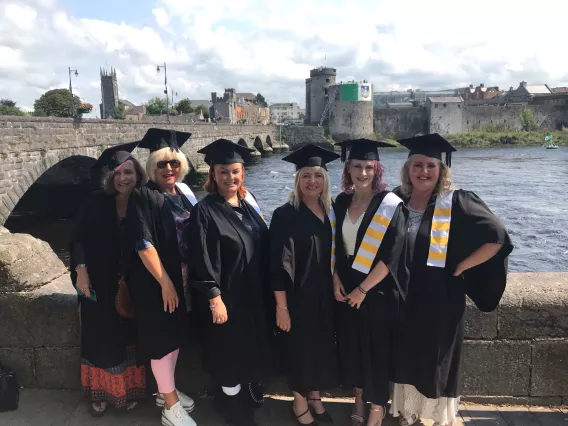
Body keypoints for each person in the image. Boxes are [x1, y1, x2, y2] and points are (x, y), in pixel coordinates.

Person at [389, 133, 514, 426]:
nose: (423, 172)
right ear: (407, 169)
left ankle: (432, 415)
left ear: (441, 169)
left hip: (440, 297)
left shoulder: (457, 200)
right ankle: (406, 412)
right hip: (403, 295)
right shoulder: (396, 198)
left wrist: (461, 267)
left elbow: (497, 237)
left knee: (435, 357)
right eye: (417, 165)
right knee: (404, 352)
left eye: (430, 165)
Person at [186, 139, 272, 426]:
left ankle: (247, 394)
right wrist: (214, 297)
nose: (230, 177)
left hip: (252, 296)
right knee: (227, 354)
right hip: (226, 298)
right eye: (223, 171)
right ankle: (235, 410)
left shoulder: (248, 204)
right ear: (213, 174)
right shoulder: (205, 211)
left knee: (248, 348)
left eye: (235, 171)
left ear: (242, 173)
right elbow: (201, 257)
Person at [332, 139, 408, 426]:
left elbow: (392, 254)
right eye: (357, 167)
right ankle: (358, 398)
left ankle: (377, 405)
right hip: (346, 284)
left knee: (376, 349)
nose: (362, 173)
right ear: (348, 169)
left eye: (368, 167)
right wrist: (336, 276)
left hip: (377, 289)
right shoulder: (341, 201)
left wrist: (364, 289)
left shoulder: (390, 205)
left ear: (376, 170)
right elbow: (335, 246)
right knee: (352, 346)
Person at [70, 142, 147, 417]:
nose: (123, 178)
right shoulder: (95, 201)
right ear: (110, 178)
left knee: (129, 338)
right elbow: (78, 238)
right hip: (98, 282)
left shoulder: (144, 200)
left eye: (128, 172)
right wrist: (81, 272)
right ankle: (100, 393)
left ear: (137, 174)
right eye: (117, 173)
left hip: (132, 283)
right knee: (100, 336)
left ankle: (128, 391)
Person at [127, 128, 198, 426]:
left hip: (183, 279)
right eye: (161, 164)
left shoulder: (183, 193)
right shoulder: (143, 196)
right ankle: (170, 407)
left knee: (175, 336)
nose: (169, 169)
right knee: (160, 339)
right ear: (151, 166)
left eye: (173, 163)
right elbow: (143, 244)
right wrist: (165, 283)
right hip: (155, 282)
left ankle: (165, 389)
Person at [269, 144, 341, 425]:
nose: (313, 181)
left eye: (318, 175)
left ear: (325, 180)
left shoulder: (331, 212)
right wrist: (281, 307)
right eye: (307, 175)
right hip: (297, 298)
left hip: (325, 297)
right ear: (297, 179)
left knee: (320, 349)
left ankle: (314, 396)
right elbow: (277, 265)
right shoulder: (285, 215)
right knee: (299, 350)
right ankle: (299, 402)